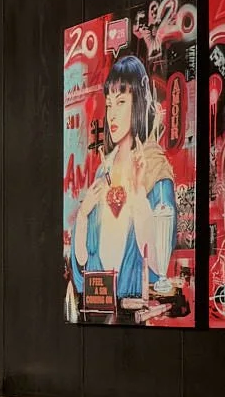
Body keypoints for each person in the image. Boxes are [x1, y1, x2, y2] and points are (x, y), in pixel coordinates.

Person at [69, 54, 174, 306]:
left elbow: (160, 264)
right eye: (108, 104)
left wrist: (138, 192)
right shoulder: (101, 172)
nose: (112, 114)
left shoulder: (154, 168)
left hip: (136, 309)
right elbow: (83, 261)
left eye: (121, 102)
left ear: (137, 102)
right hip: (100, 308)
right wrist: (83, 216)